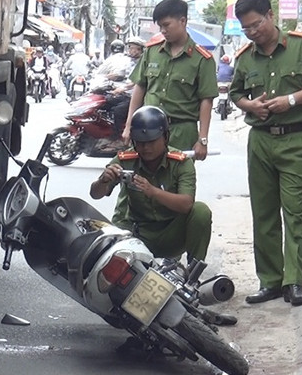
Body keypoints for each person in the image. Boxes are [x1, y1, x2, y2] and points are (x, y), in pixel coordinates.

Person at [228, 0, 302, 306]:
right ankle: (270, 281)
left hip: (296, 138)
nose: (252, 32)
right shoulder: (246, 56)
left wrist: (290, 100)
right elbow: (236, 93)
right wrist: (251, 105)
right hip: (260, 140)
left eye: (256, 24)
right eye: (246, 28)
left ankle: (294, 282)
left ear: (270, 15)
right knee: (263, 213)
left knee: (295, 211)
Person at [89, 106, 211, 262]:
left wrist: (152, 191)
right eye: (140, 142)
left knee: (201, 211)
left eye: (152, 142)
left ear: (165, 137)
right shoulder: (126, 160)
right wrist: (103, 180)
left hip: (170, 233)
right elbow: (95, 194)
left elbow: (186, 204)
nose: (146, 148)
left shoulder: (181, 163)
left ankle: (194, 274)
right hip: (137, 234)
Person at [124, 0, 218, 160]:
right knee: (142, 181)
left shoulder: (202, 59)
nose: (163, 30)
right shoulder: (151, 52)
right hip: (147, 128)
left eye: (166, 25)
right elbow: (140, 87)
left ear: (182, 21)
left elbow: (206, 101)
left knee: (177, 182)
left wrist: (202, 139)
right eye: (160, 26)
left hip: (181, 131)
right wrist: (128, 125)